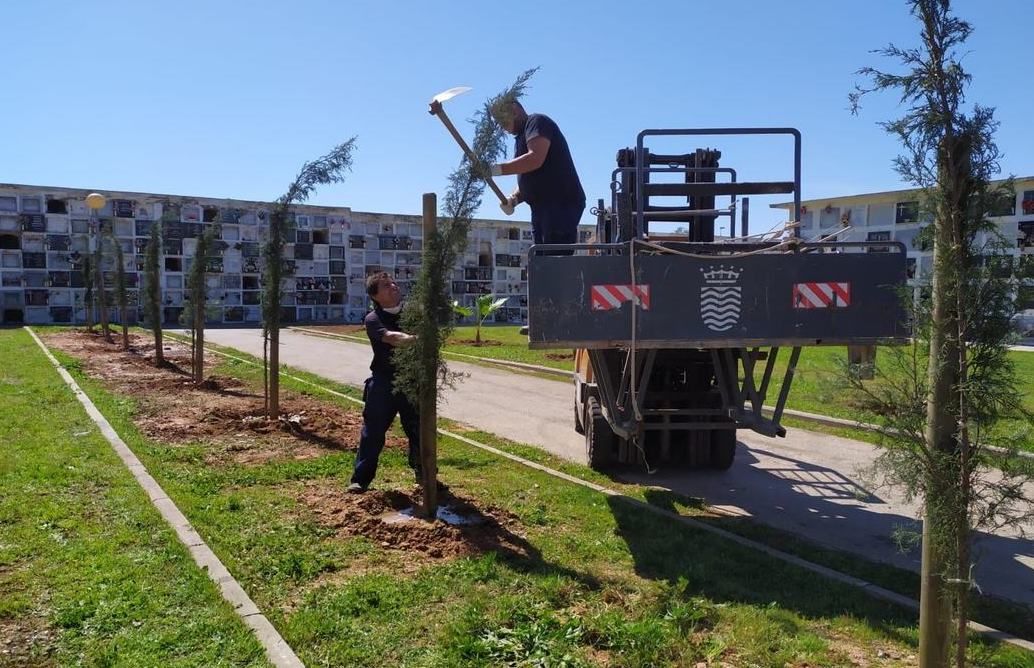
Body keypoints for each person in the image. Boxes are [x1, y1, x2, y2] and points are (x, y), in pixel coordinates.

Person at [347, 272, 420, 493]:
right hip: (383, 383)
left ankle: (425, 475)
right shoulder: (373, 319)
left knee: (419, 431)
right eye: (386, 285)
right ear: (375, 296)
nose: (393, 286)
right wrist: (419, 339)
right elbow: (392, 338)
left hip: (411, 382)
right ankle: (360, 479)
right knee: (373, 431)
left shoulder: (413, 314)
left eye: (393, 283)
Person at [488, 99, 585, 252]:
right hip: (541, 207)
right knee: (540, 257)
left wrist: (496, 169)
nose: (501, 127)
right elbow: (530, 177)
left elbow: (535, 159)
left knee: (552, 258)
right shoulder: (522, 137)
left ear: (514, 110)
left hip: (559, 205)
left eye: (502, 120)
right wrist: (514, 199)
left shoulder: (537, 122)